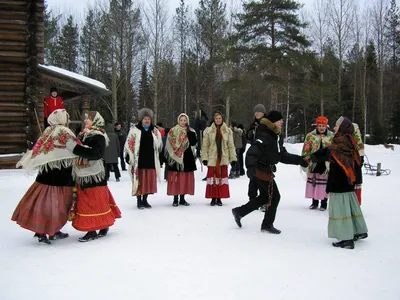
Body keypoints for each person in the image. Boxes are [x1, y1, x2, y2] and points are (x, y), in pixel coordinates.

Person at [231, 111, 309, 234]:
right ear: (273, 122)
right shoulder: (265, 136)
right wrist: (250, 168)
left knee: (265, 197)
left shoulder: (275, 136)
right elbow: (252, 152)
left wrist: (300, 161)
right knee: (274, 197)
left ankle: (239, 212)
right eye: (280, 120)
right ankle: (267, 225)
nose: (282, 122)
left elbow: (282, 156)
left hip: (265, 169)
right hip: (260, 170)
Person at [12, 109, 76, 244]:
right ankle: (49, 231)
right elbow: (76, 147)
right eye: (67, 118)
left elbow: (40, 150)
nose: (68, 121)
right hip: (60, 175)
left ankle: (46, 231)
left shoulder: (48, 131)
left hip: (46, 174)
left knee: (43, 205)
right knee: (56, 206)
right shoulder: (63, 131)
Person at [309, 116, 368, 249]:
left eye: (336, 125)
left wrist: (313, 157)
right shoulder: (348, 140)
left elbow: (330, 153)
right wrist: (315, 156)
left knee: (341, 210)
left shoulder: (340, 142)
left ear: (341, 128)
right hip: (348, 182)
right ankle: (359, 230)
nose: (334, 128)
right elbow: (329, 150)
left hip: (339, 182)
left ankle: (346, 238)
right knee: (351, 207)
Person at [66, 111, 121, 242]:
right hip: (86, 174)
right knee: (95, 202)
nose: (85, 121)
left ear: (95, 121)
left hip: (94, 175)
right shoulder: (85, 134)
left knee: (92, 202)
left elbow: (96, 153)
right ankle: (102, 226)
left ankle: (92, 229)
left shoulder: (99, 136)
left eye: (88, 119)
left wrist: (76, 148)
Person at [125, 108, 163, 209]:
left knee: (147, 182)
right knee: (139, 182)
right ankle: (139, 201)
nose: (147, 121)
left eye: (149, 119)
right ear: (141, 119)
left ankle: (145, 200)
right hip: (139, 161)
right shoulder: (134, 131)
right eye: (145, 119)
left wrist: (160, 158)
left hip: (150, 160)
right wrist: (129, 156)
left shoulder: (155, 131)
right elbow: (129, 145)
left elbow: (159, 146)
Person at [201, 112, 237, 206]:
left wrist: (233, 158)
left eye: (220, 118)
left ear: (222, 119)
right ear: (214, 119)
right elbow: (205, 146)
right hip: (212, 157)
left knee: (221, 178)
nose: (218, 120)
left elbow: (231, 146)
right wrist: (204, 158)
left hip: (223, 158)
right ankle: (213, 198)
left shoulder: (228, 131)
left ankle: (219, 197)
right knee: (213, 179)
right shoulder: (208, 131)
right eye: (216, 118)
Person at [301, 116, 334, 210]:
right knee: (314, 182)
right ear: (317, 126)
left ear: (326, 126)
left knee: (325, 183)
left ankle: (324, 203)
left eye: (323, 125)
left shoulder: (331, 136)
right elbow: (306, 149)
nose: (321, 128)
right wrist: (305, 159)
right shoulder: (310, 136)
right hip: (314, 161)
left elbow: (335, 149)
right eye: (319, 125)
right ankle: (314, 202)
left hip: (326, 162)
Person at [165, 113, 197, 206]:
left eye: (184, 120)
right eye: (181, 120)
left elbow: (194, 142)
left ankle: (182, 198)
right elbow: (169, 143)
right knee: (176, 178)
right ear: (178, 121)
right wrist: (174, 151)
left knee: (184, 178)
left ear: (187, 121)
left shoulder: (191, 131)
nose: (183, 122)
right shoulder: (173, 130)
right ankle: (175, 199)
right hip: (175, 157)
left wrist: (189, 134)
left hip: (187, 156)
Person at [246, 104, 267, 210]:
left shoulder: (267, 123)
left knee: (263, 178)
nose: (257, 113)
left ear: (263, 113)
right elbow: (247, 136)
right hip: (254, 152)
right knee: (253, 177)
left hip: (263, 154)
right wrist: (249, 135)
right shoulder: (253, 124)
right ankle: (252, 200)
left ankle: (264, 200)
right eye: (256, 112)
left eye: (259, 112)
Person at [352, 123, 365, 205]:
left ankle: (355, 204)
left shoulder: (358, 142)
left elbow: (361, 158)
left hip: (355, 170)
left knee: (355, 187)